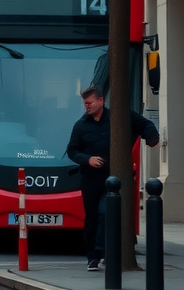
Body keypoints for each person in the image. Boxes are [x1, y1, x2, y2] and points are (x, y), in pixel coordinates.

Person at [65, 86, 159, 271]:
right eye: (85, 104)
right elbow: (72, 150)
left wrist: (151, 138)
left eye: (90, 103)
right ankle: (92, 257)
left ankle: (102, 251)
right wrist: (88, 159)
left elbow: (145, 125)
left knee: (105, 212)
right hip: (90, 178)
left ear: (101, 101)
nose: (87, 106)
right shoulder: (80, 125)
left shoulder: (120, 117)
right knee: (91, 218)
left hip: (114, 177)